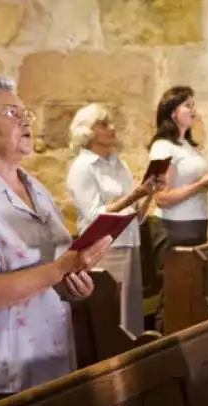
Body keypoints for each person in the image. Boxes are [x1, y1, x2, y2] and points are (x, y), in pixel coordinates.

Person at [0, 74, 111, 406]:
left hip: (48, 358)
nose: (26, 120)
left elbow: (50, 271)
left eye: (25, 113)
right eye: (12, 113)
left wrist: (73, 285)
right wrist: (61, 268)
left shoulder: (36, 190)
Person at [66, 103, 164, 338]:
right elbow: (95, 215)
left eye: (110, 123)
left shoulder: (120, 164)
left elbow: (136, 216)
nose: (112, 128)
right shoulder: (82, 168)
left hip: (130, 242)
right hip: (103, 248)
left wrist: (149, 191)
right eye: (103, 124)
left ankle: (132, 361)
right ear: (87, 131)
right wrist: (134, 195)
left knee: (130, 315)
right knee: (110, 316)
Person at [148, 86, 208, 247]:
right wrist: (201, 184)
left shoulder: (189, 147)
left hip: (197, 224)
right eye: (188, 106)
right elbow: (161, 198)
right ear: (172, 113)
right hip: (174, 226)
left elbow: (192, 186)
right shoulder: (162, 146)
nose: (194, 111)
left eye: (194, 106)